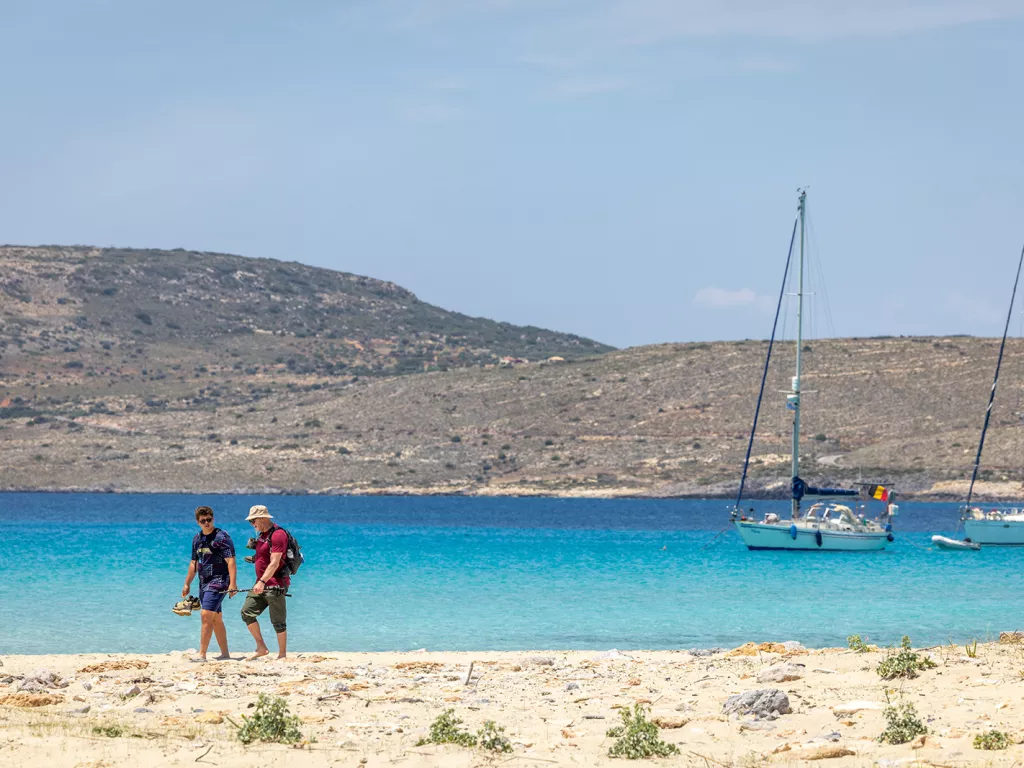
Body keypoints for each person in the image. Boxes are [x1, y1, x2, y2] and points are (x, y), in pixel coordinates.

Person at [182, 506, 238, 661]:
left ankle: (202, 654)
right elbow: (194, 563)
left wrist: (233, 584)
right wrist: (187, 583)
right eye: (203, 521)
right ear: (197, 522)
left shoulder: (222, 537)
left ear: (213, 518)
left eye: (209, 519)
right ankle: (225, 654)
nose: (206, 523)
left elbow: (231, 561)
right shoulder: (197, 539)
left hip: (219, 581)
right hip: (203, 582)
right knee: (216, 619)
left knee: (205, 614)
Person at [240, 505, 290, 659]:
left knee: (278, 622)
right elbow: (265, 556)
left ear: (262, 518)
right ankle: (261, 647)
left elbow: (275, 563)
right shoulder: (262, 535)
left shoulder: (278, 534)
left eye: (253, 521)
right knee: (246, 612)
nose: (252, 524)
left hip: (274, 584)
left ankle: (282, 655)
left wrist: (262, 581)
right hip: (259, 583)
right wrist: (255, 559)